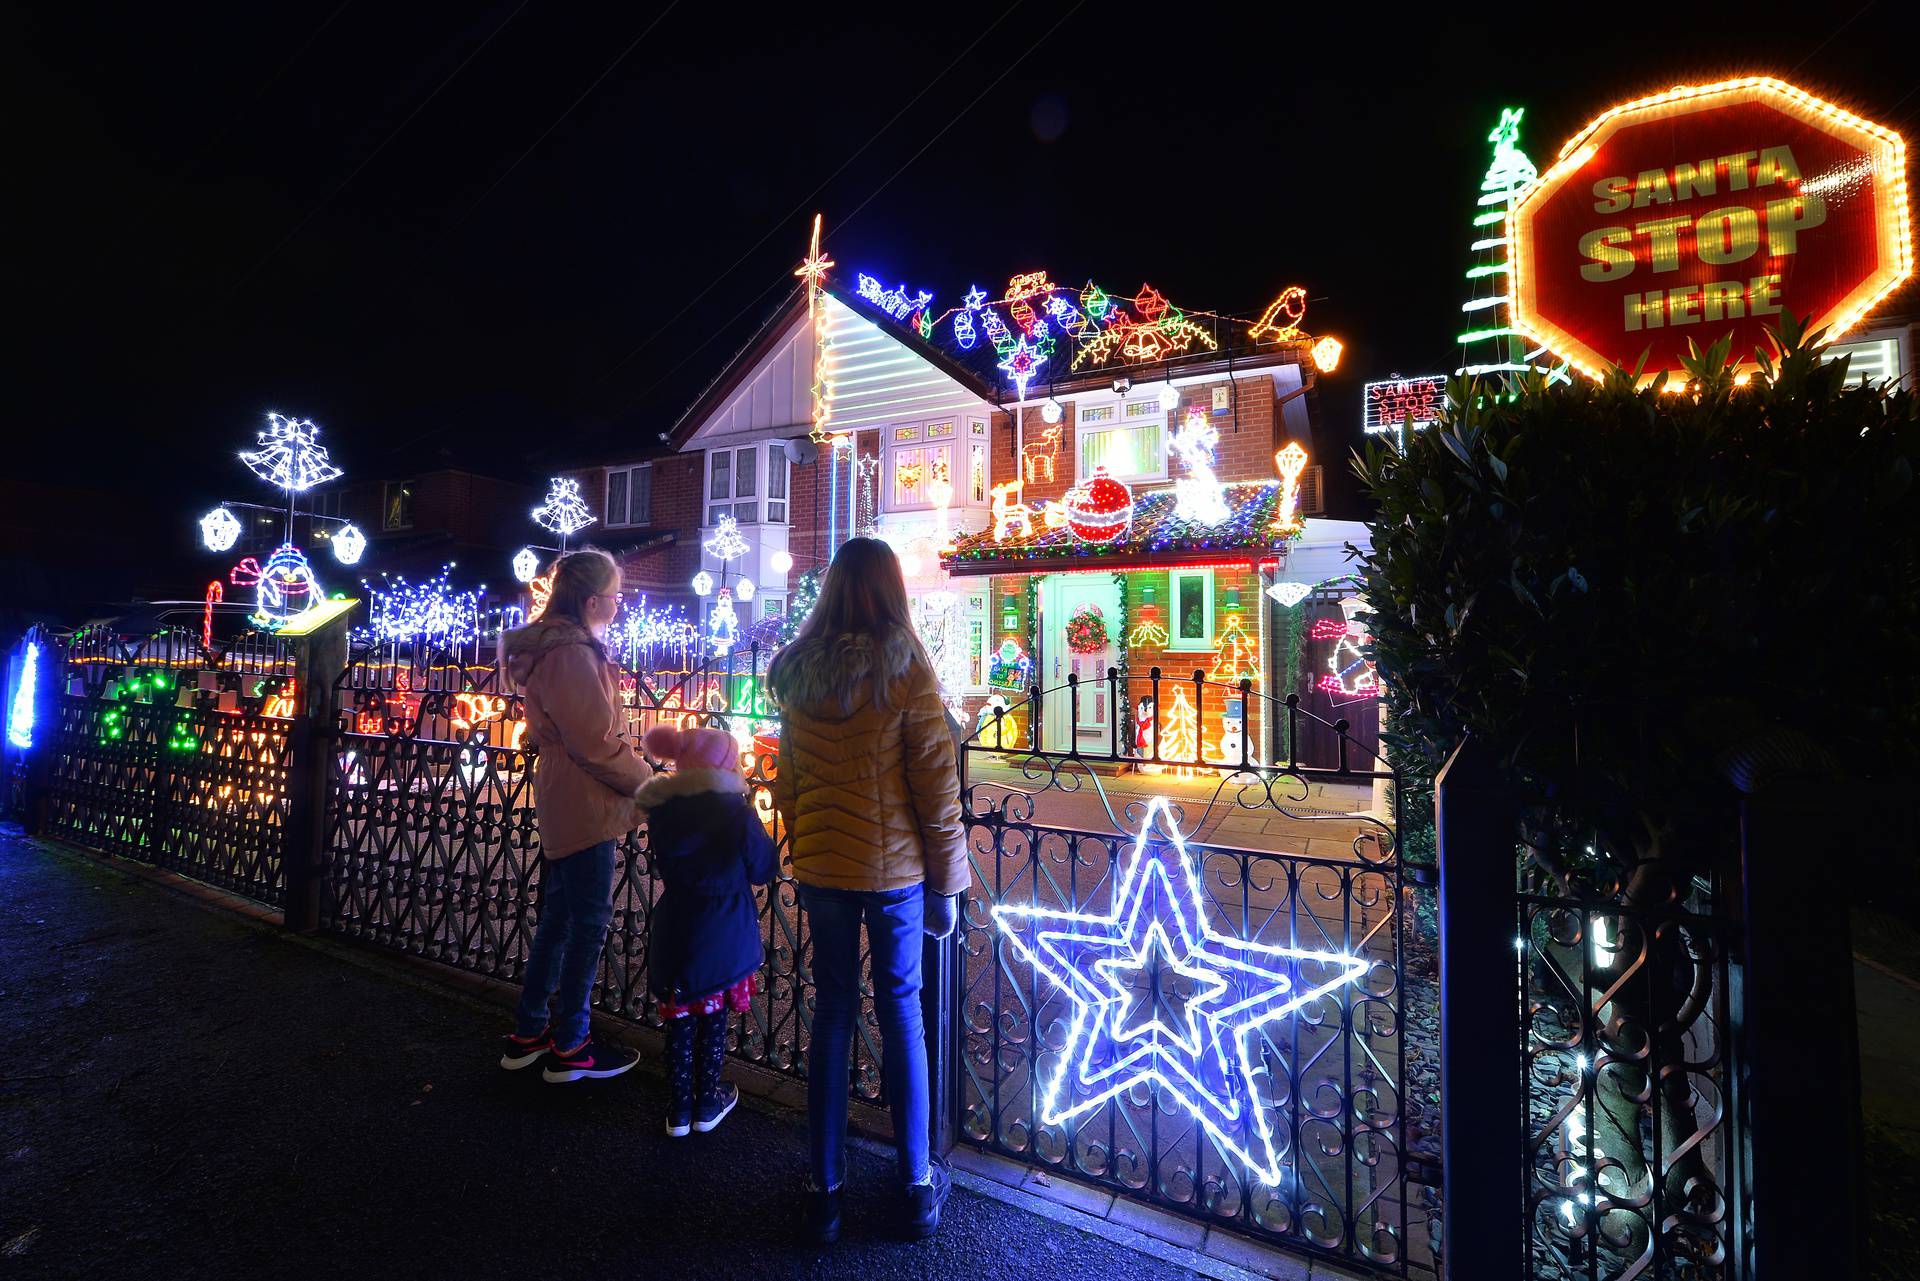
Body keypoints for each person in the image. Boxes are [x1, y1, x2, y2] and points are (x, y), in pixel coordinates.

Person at [768, 537, 966, 1244]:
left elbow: (786, 783)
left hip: (823, 872)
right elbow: (937, 792)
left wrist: (812, 840)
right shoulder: (906, 669)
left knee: (831, 1013)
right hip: (893, 875)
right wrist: (949, 880)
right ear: (891, 588)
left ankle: (824, 1188)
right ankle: (915, 1184)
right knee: (902, 1010)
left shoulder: (798, 673)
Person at [499, 549, 652, 1083]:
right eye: (615, 595)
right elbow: (594, 741)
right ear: (592, 601)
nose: (619, 603)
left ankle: (531, 1029)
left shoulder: (562, 649)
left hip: (568, 795)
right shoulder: (571, 654)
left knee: (560, 919)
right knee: (588, 923)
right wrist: (650, 786)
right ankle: (572, 1044)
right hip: (585, 802)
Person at [635, 722, 778, 1137]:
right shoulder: (734, 810)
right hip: (723, 928)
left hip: (679, 923)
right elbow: (762, 867)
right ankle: (708, 1100)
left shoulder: (664, 809)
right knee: (713, 1020)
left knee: (680, 1020)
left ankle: (679, 1109)